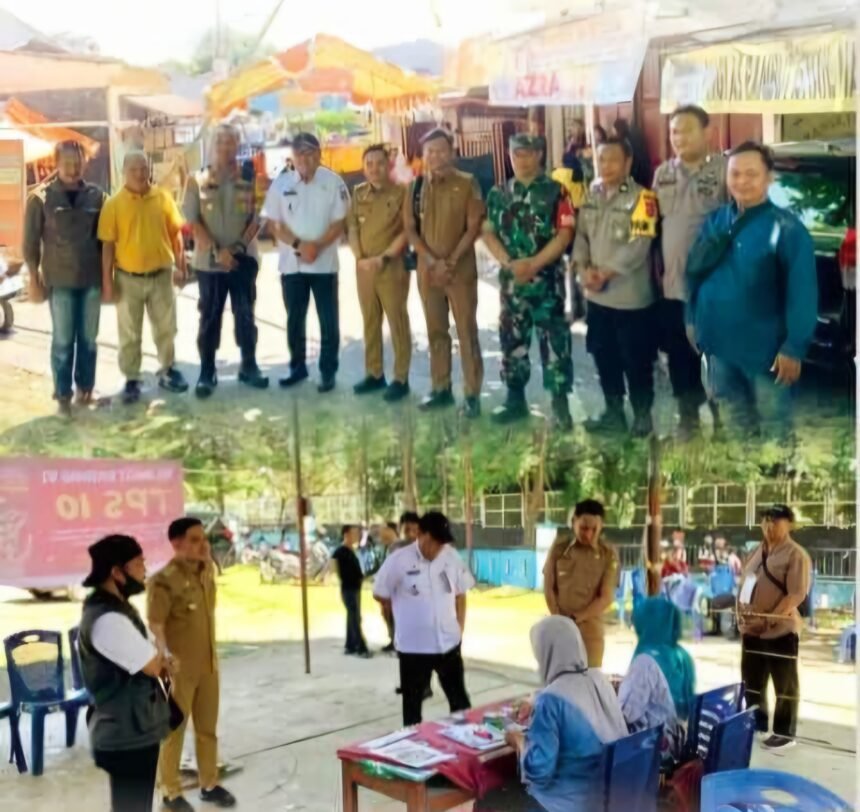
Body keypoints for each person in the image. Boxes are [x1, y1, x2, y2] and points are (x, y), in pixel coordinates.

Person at [686, 141, 817, 440]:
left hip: (766, 355)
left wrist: (794, 347)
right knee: (735, 428)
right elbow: (694, 273)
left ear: (769, 177)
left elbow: (803, 294)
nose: (742, 181)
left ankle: (778, 483)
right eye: (735, 174)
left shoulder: (788, 229)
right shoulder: (716, 220)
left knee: (775, 431)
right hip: (719, 349)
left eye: (751, 174)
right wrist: (691, 320)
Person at [476, 616, 626, 811]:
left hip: (566, 804)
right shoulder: (599, 680)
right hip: (609, 797)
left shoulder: (552, 699)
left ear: (548, 653)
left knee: (491, 797)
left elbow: (538, 771)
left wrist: (519, 740)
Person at [482, 133, 576, 430]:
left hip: (547, 283)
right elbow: (487, 232)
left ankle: (560, 405)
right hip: (513, 285)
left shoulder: (556, 191)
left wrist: (534, 263)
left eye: (526, 153)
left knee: (555, 343)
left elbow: (565, 234)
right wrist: (510, 263)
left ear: (538, 154)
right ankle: (514, 399)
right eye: (515, 153)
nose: (519, 159)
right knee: (512, 341)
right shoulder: (498, 193)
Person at [572, 136, 659, 437]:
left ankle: (642, 416)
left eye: (612, 159)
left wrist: (604, 273)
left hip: (631, 300)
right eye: (601, 159)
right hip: (597, 299)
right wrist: (583, 268)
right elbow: (581, 236)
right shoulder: (591, 194)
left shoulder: (643, 199)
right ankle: (613, 412)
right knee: (603, 355)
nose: (605, 165)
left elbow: (640, 244)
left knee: (636, 361)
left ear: (628, 163)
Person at [148, 518, 236, 810]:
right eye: (195, 539)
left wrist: (205, 558)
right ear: (176, 544)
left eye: (204, 538)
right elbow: (156, 623)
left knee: (207, 729)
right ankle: (170, 791)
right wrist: (162, 656)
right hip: (180, 670)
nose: (204, 545)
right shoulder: (162, 581)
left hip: (209, 665)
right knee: (174, 731)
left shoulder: (207, 569)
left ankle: (209, 784)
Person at [78, 535, 171, 812]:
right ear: (117, 572)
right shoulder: (107, 619)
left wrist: (160, 659)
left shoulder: (118, 609)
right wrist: (161, 661)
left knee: (137, 805)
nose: (145, 568)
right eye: (138, 563)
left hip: (135, 727)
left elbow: (150, 656)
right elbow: (152, 664)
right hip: (123, 734)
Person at [653, 106, 728, 439]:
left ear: (707, 132)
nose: (679, 138)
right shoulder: (662, 174)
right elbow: (655, 225)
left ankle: (725, 421)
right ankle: (689, 419)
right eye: (674, 132)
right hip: (673, 286)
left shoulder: (726, 170)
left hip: (714, 287)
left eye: (686, 130)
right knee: (680, 357)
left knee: (718, 356)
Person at [404, 128, 485, 418]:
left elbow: (474, 226)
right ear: (423, 155)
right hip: (428, 272)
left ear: (452, 152)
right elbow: (411, 230)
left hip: (459, 271)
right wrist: (431, 260)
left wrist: (450, 261)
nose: (435, 156)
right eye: (429, 151)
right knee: (436, 331)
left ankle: (472, 394)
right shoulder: (415, 187)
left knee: (466, 331)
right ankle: (441, 388)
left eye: (440, 150)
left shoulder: (467, 183)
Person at [261, 132, 349, 393]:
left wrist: (317, 247)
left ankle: (328, 372)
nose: (305, 159)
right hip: (292, 266)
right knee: (295, 319)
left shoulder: (333, 182)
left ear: (319, 155)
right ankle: (297, 368)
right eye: (300, 154)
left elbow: (340, 222)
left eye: (311, 153)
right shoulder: (281, 183)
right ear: (293, 157)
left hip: (324, 264)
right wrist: (300, 245)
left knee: (328, 320)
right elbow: (273, 223)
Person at [23, 141, 106, 417]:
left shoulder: (98, 197)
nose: (72, 167)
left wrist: (109, 279)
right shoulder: (40, 198)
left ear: (84, 163)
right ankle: (62, 395)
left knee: (89, 339)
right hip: (59, 283)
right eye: (67, 161)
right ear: (56, 163)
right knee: (62, 340)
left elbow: (106, 243)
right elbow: (30, 244)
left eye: (77, 161)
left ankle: (86, 389)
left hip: (91, 280)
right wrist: (34, 279)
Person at [184, 123, 268, 398]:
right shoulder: (195, 180)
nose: (225, 148)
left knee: (245, 314)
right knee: (209, 317)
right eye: (220, 143)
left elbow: (257, 217)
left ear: (237, 146)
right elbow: (193, 221)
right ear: (212, 147)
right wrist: (219, 251)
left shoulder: (249, 177)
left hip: (242, 259)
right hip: (209, 263)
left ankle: (249, 366)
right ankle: (207, 372)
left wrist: (237, 247)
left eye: (231, 143)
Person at [98, 150, 188, 404]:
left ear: (148, 170)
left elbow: (176, 234)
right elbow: (107, 246)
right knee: (129, 333)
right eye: (133, 169)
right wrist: (107, 280)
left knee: (166, 328)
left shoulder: (163, 198)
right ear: (124, 172)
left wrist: (181, 267)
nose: (139, 173)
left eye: (142, 168)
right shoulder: (113, 204)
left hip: (161, 276)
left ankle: (168, 369)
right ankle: (131, 379)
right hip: (127, 279)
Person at [373, 511, 474, 726]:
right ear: (420, 534)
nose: (438, 548)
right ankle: (413, 753)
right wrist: (406, 614)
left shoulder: (451, 557)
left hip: (448, 645)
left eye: (442, 543)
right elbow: (380, 593)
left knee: (461, 705)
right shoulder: (398, 560)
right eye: (434, 542)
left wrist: (459, 628)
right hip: (413, 649)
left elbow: (460, 593)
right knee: (412, 711)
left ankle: (465, 744)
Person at [737, 504, 811, 751]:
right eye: (766, 521)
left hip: (780, 631)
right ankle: (756, 724)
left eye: (775, 521)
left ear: (788, 524)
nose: (769, 526)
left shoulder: (795, 554)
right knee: (752, 681)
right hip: (751, 631)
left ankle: (784, 732)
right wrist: (742, 615)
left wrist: (767, 619)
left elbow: (795, 595)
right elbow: (745, 584)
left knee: (785, 684)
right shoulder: (756, 552)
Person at [347, 144, 412, 402]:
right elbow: (351, 228)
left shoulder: (401, 193)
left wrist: (383, 257)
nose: (374, 169)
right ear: (363, 168)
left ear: (389, 166)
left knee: (397, 322)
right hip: (364, 269)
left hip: (391, 267)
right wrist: (360, 258)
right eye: (369, 164)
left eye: (380, 163)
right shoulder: (358, 192)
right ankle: (374, 374)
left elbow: (407, 231)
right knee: (370, 321)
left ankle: (401, 378)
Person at [619, 597, 696, 767]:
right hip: (678, 736)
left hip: (656, 747)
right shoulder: (683, 656)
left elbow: (626, 714)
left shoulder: (645, 660)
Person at [542, 499, 619, 668]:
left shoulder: (608, 554)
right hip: (560, 631)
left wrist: (575, 619)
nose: (589, 534)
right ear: (573, 522)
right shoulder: (559, 548)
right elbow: (548, 588)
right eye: (584, 528)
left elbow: (605, 598)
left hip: (590, 635)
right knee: (559, 683)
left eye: (594, 529)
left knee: (589, 684)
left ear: (601, 526)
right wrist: (561, 620)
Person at [332, 524, 372, 658]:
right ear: (346, 534)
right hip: (348, 589)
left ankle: (350, 645)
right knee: (355, 617)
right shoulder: (340, 551)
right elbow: (334, 568)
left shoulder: (352, 551)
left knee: (352, 617)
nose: (356, 536)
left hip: (355, 588)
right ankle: (361, 647)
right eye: (354, 533)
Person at [612, 118, 652, 187]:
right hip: (645, 171)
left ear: (617, 129)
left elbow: (629, 160)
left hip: (635, 174)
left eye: (613, 129)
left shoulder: (624, 142)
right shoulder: (634, 135)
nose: (612, 131)